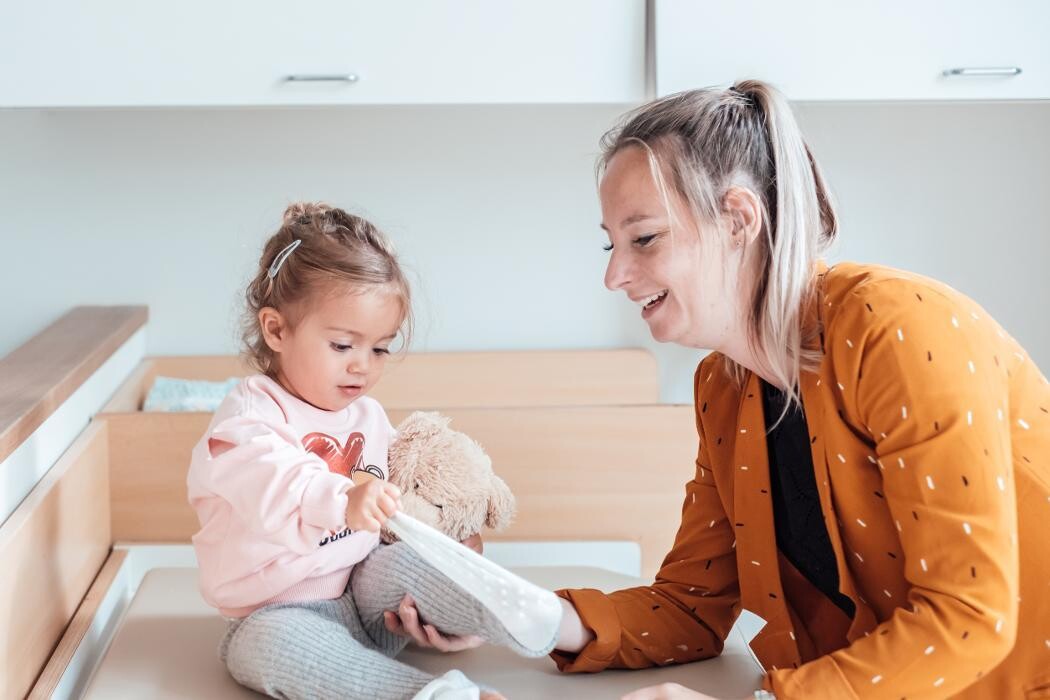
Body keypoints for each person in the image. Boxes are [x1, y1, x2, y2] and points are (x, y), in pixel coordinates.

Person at [542, 81, 1050, 699]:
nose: (614, 275)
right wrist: (519, 615)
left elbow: (969, 620)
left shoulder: (898, 331)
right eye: (611, 244)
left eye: (644, 238)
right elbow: (691, 604)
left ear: (738, 220)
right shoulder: (722, 387)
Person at [186, 202, 554, 700]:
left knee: (413, 561)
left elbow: (398, 504)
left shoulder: (368, 416)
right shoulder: (245, 420)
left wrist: (445, 543)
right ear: (277, 330)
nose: (363, 367)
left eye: (380, 348)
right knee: (276, 649)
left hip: (365, 598)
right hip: (274, 612)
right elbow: (278, 483)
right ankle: (428, 695)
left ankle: (521, 616)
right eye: (343, 346)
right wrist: (343, 500)